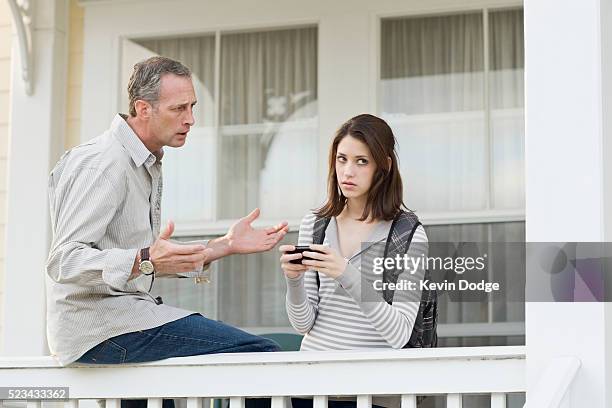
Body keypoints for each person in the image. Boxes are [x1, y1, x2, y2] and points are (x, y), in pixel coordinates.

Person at [46, 56, 287, 371]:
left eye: (192, 107)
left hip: (126, 320)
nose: (190, 119)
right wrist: (144, 258)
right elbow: (63, 261)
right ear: (144, 109)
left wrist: (225, 244)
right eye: (178, 109)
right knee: (260, 355)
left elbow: (147, 260)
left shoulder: (144, 162)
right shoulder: (104, 164)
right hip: (101, 330)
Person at [279, 114, 428, 408]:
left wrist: (346, 273)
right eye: (342, 159)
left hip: (374, 393)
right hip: (312, 388)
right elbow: (303, 324)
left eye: (362, 161)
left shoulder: (409, 235)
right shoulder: (316, 223)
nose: (348, 171)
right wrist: (293, 280)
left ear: (383, 166)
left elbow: (399, 333)